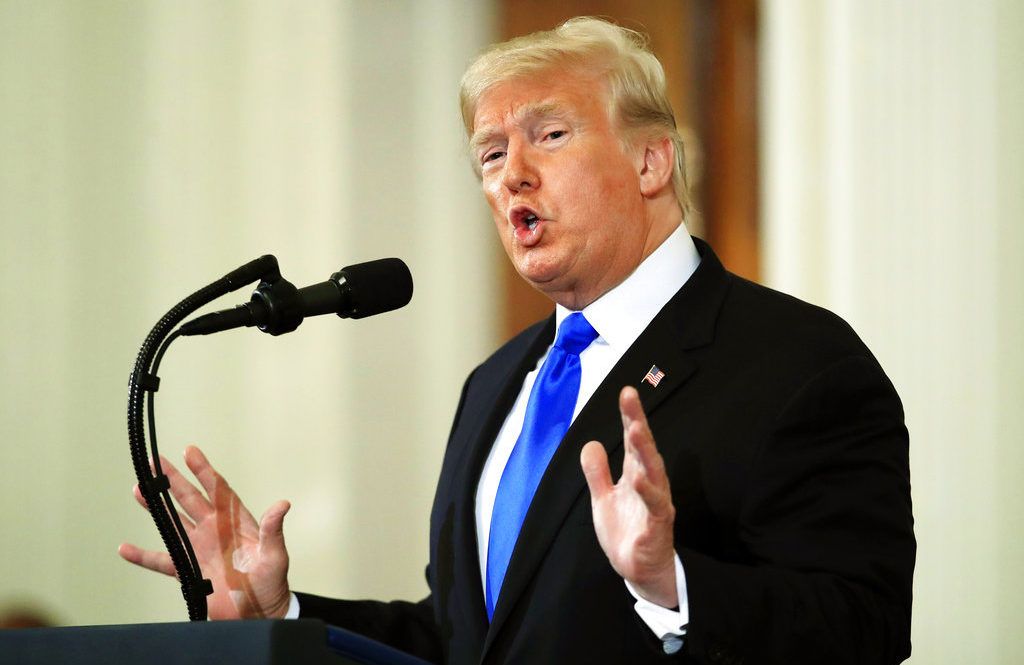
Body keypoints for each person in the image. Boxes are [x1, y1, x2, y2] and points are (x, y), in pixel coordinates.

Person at [119, 17, 915, 664]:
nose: (511, 176)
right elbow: (467, 641)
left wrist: (671, 583)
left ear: (650, 160)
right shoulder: (496, 383)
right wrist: (282, 612)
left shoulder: (799, 363)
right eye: (491, 155)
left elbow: (864, 629)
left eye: (551, 135)